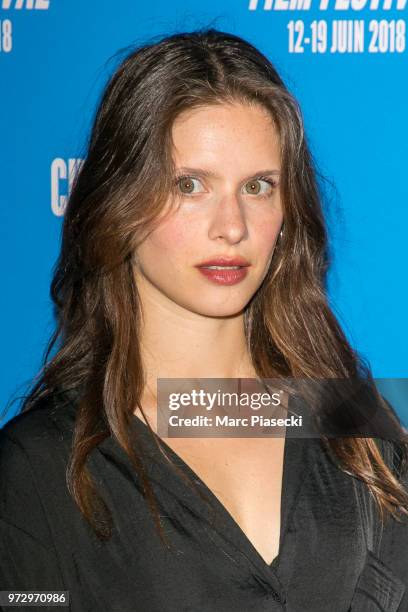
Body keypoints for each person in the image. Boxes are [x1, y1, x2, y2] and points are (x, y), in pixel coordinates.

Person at [1, 28, 407, 612]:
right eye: (189, 185)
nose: (233, 226)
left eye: (259, 187)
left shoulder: (354, 416)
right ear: (119, 202)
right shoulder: (40, 470)